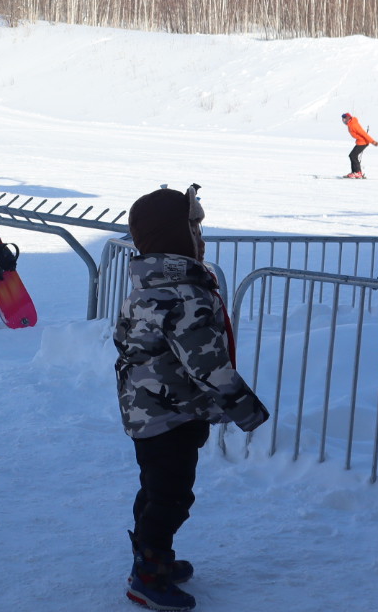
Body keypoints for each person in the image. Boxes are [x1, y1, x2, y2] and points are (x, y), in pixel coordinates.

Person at [115, 185, 268, 611]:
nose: (201, 239)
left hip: (147, 410)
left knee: (156, 488)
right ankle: (148, 574)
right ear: (172, 236)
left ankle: (152, 555)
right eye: (193, 229)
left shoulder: (147, 284)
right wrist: (248, 411)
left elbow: (123, 339)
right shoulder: (185, 293)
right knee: (172, 496)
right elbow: (208, 366)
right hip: (170, 414)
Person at [342, 112, 378, 178]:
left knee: (353, 155)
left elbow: (364, 134)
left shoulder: (353, 125)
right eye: (343, 119)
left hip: (363, 142)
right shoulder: (350, 124)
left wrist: (373, 141)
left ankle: (358, 172)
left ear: (348, 118)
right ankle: (355, 173)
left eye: (344, 119)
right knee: (352, 155)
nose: (343, 121)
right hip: (360, 142)